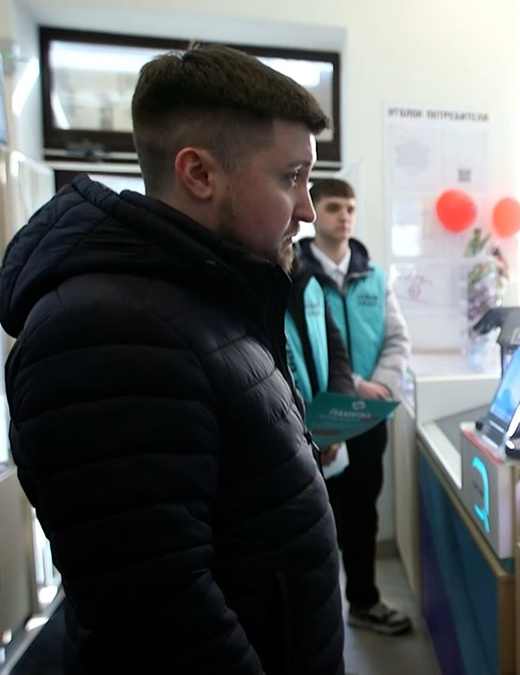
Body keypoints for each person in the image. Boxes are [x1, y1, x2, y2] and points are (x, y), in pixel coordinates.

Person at [0, 45, 344, 674]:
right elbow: (163, 623)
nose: (306, 209)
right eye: (292, 177)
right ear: (199, 173)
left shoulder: (205, 298)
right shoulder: (104, 333)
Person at [296, 179, 414, 635]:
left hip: (367, 419)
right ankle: (318, 619)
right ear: (314, 212)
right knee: (316, 518)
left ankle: (363, 602)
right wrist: (355, 385)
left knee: (363, 514)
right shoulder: (294, 272)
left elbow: (398, 339)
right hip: (316, 420)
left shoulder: (374, 276)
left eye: (350, 208)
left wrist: (379, 385)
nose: (344, 216)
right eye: (333, 207)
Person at [282, 243, 356, 471]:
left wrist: (334, 424)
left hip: (327, 441)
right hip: (288, 440)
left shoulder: (310, 281)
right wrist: (309, 430)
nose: (294, 227)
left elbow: (337, 355)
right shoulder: (251, 289)